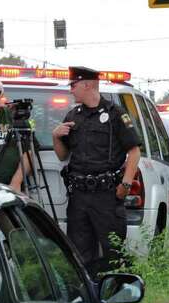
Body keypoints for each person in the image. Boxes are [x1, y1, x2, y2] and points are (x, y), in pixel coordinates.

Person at [52, 66, 141, 278]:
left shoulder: (115, 114)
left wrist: (126, 184)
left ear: (87, 85)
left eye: (73, 85)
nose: (71, 90)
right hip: (79, 196)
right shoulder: (74, 116)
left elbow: (134, 151)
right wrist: (56, 136)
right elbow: (62, 155)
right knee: (80, 253)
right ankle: (86, 295)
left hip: (107, 195)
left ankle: (117, 292)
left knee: (112, 250)